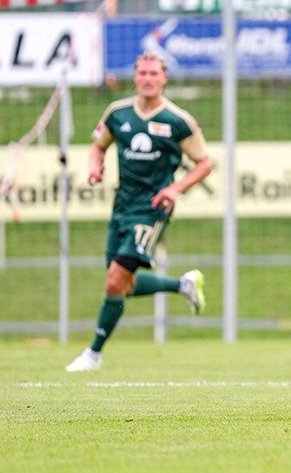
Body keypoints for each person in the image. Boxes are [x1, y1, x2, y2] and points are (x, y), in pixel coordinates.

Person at [66, 53, 212, 372]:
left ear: (164, 78)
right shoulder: (117, 113)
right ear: (135, 77)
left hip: (152, 210)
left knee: (114, 281)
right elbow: (98, 146)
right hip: (121, 207)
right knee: (122, 284)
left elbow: (205, 163)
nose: (148, 79)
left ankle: (92, 354)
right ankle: (183, 285)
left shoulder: (178, 121)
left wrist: (175, 189)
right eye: (142, 73)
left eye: (154, 73)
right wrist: (94, 167)